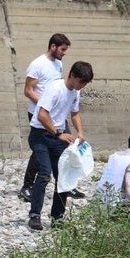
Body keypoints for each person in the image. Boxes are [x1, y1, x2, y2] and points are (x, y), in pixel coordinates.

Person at [28, 61, 94, 231]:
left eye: (85, 84)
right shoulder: (55, 88)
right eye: (81, 82)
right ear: (72, 75)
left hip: (57, 138)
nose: (82, 86)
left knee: (63, 176)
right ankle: (34, 215)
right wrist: (58, 133)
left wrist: (80, 132)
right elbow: (42, 115)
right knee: (44, 173)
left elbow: (75, 113)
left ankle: (57, 217)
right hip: (40, 135)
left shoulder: (75, 92)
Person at [20, 33, 85, 203]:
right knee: (40, 150)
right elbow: (28, 90)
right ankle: (27, 185)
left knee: (65, 146)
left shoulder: (58, 64)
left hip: (57, 113)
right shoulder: (38, 64)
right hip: (39, 113)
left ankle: (67, 185)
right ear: (53, 46)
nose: (65, 53)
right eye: (63, 49)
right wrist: (45, 105)